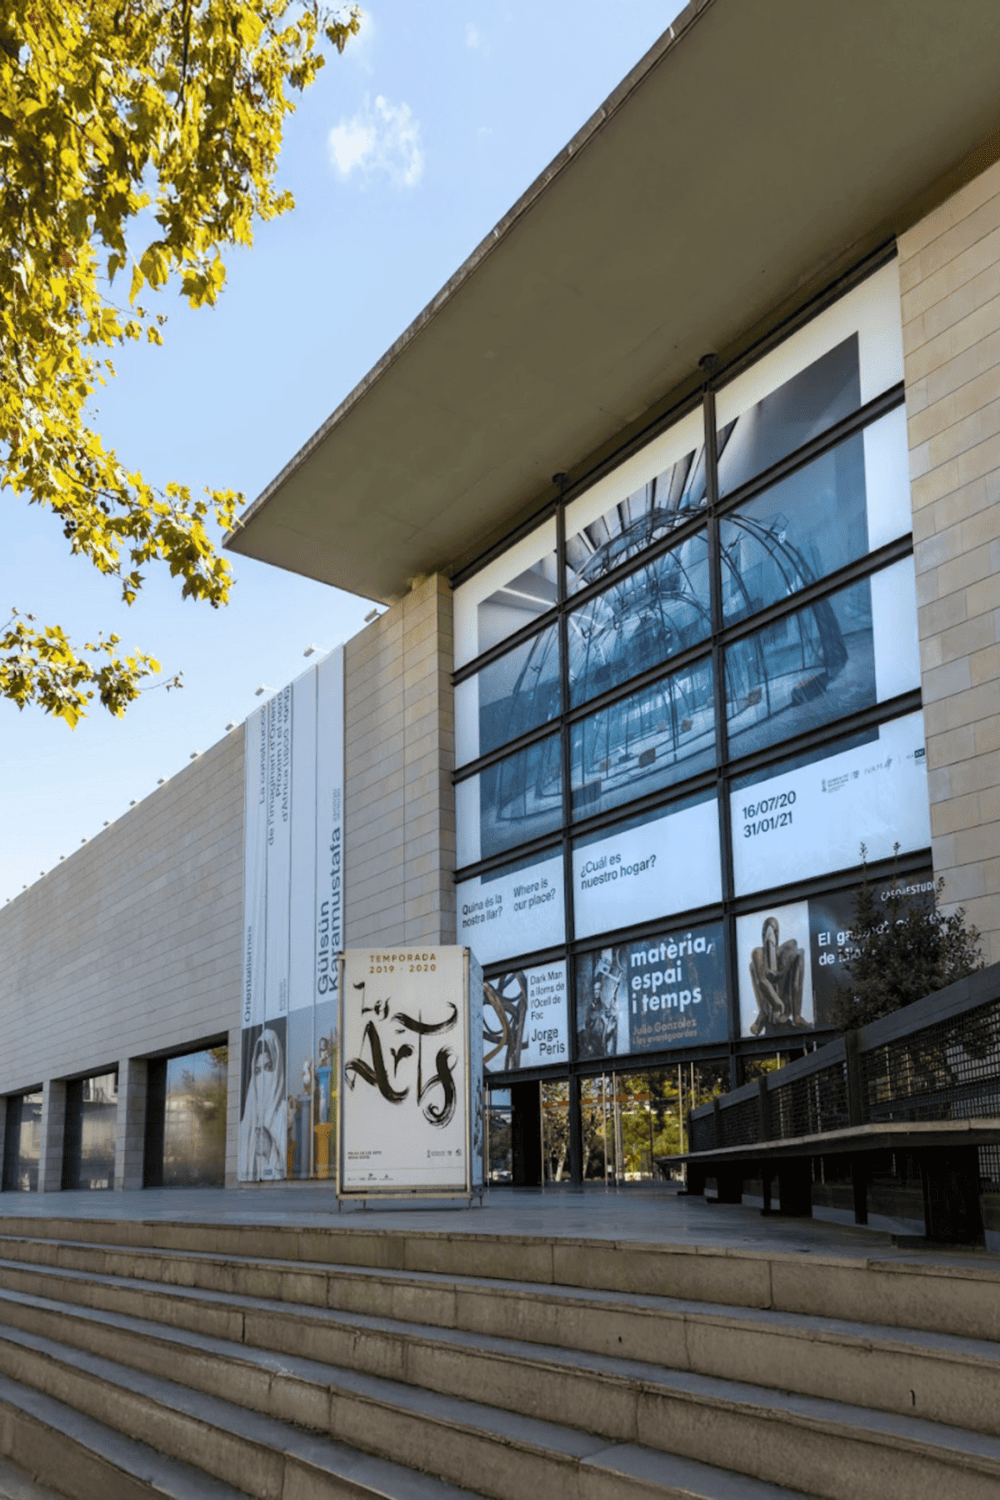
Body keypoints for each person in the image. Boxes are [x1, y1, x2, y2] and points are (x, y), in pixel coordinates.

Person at [238, 1027, 287, 1180]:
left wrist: (270, 1148)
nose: (263, 1076)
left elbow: (289, 1169)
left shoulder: (285, 1113)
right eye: (258, 1070)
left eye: (268, 1067)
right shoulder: (248, 1119)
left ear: (277, 1069)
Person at [748, 917, 808, 1035]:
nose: (770, 936)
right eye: (766, 932)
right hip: (771, 1003)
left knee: (799, 954)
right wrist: (776, 1004)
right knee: (753, 966)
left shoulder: (788, 952)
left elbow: (794, 983)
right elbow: (762, 981)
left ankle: (797, 1016)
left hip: (785, 1002)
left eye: (773, 932)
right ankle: (763, 1013)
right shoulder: (758, 953)